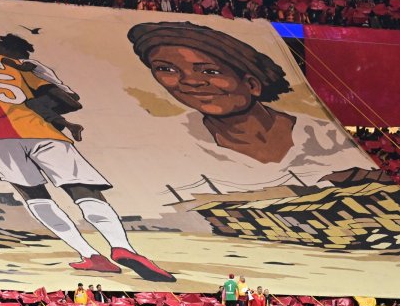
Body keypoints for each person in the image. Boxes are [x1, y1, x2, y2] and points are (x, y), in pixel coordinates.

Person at [0, 18, 173, 281]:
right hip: (42, 131)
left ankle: (89, 254)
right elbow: (59, 98)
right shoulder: (11, 62)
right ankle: (123, 247)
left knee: (35, 196)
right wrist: (59, 119)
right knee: (83, 189)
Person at [127, 21, 376, 189]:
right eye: (166, 69)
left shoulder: (324, 136)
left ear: (252, 84)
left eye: (210, 71)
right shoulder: (172, 140)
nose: (190, 82)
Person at [0, 34, 83, 140]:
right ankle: (67, 125)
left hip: (60, 94)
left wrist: (8, 62)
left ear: (10, 50)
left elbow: (25, 68)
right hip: (50, 96)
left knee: (32, 103)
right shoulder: (17, 69)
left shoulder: (28, 62)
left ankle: (68, 118)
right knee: (34, 111)